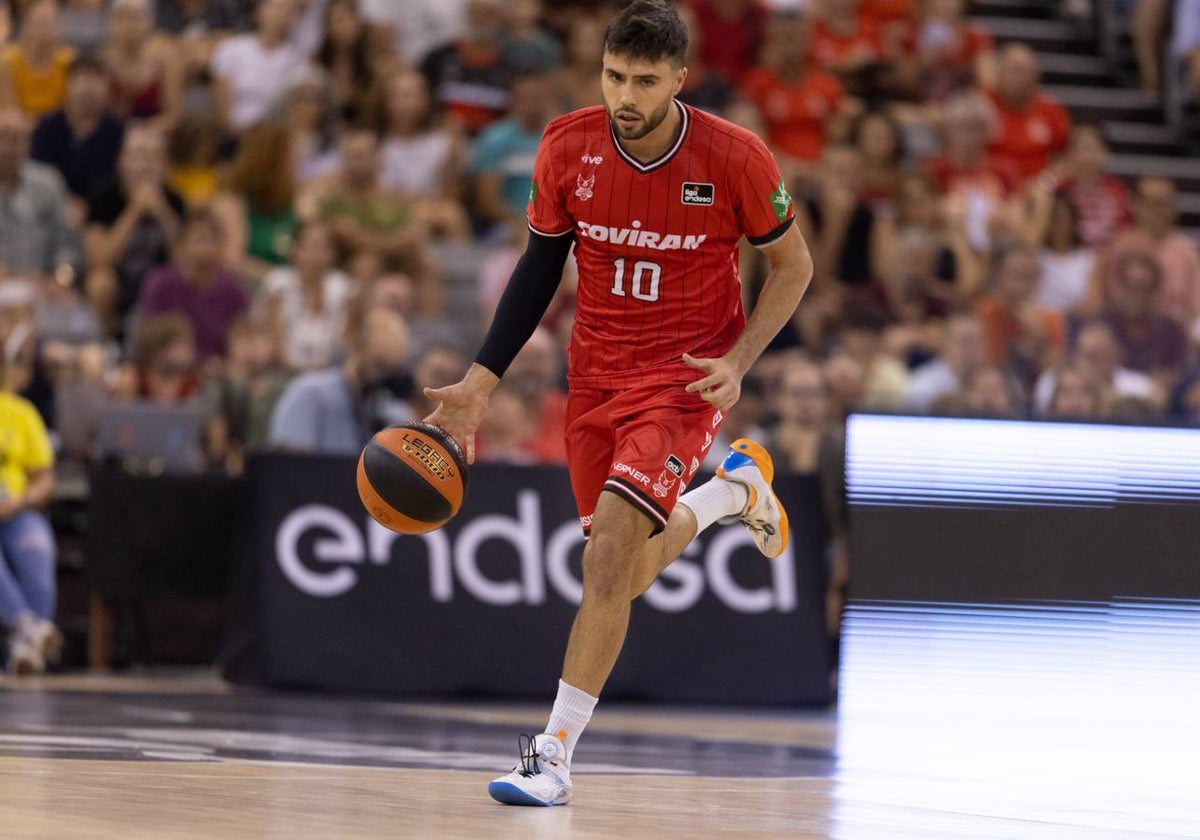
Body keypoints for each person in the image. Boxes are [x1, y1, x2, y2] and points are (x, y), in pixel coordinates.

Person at [422, 0, 812, 807]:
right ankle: (734, 493)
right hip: (594, 376)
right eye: (612, 76)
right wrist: (480, 382)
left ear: (679, 79)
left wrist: (739, 361)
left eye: (642, 81)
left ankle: (553, 754)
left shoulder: (736, 156)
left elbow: (794, 267)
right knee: (620, 570)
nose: (624, 95)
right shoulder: (567, 144)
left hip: (684, 377)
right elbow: (537, 269)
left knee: (605, 565)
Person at [268, 307, 413, 454]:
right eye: (379, 365)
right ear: (356, 345)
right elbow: (290, 463)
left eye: (391, 370)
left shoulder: (391, 409)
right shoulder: (310, 392)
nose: (382, 376)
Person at [0, 350, 60, 675]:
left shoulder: (20, 412)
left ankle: (28, 646)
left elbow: (45, 478)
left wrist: (21, 500)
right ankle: (28, 628)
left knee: (37, 546)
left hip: (16, 510)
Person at [135, 207, 251, 363]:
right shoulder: (159, 284)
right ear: (180, 246)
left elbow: (242, 337)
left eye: (212, 241)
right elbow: (146, 339)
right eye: (200, 240)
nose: (207, 248)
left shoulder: (234, 288)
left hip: (220, 372)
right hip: (170, 370)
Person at [29, 54, 124, 211]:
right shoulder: (47, 128)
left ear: (107, 88)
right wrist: (66, 200)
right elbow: (39, 172)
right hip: (55, 207)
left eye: (96, 81)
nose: (88, 89)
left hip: (105, 210)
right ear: (67, 85)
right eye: (82, 80)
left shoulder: (117, 131)